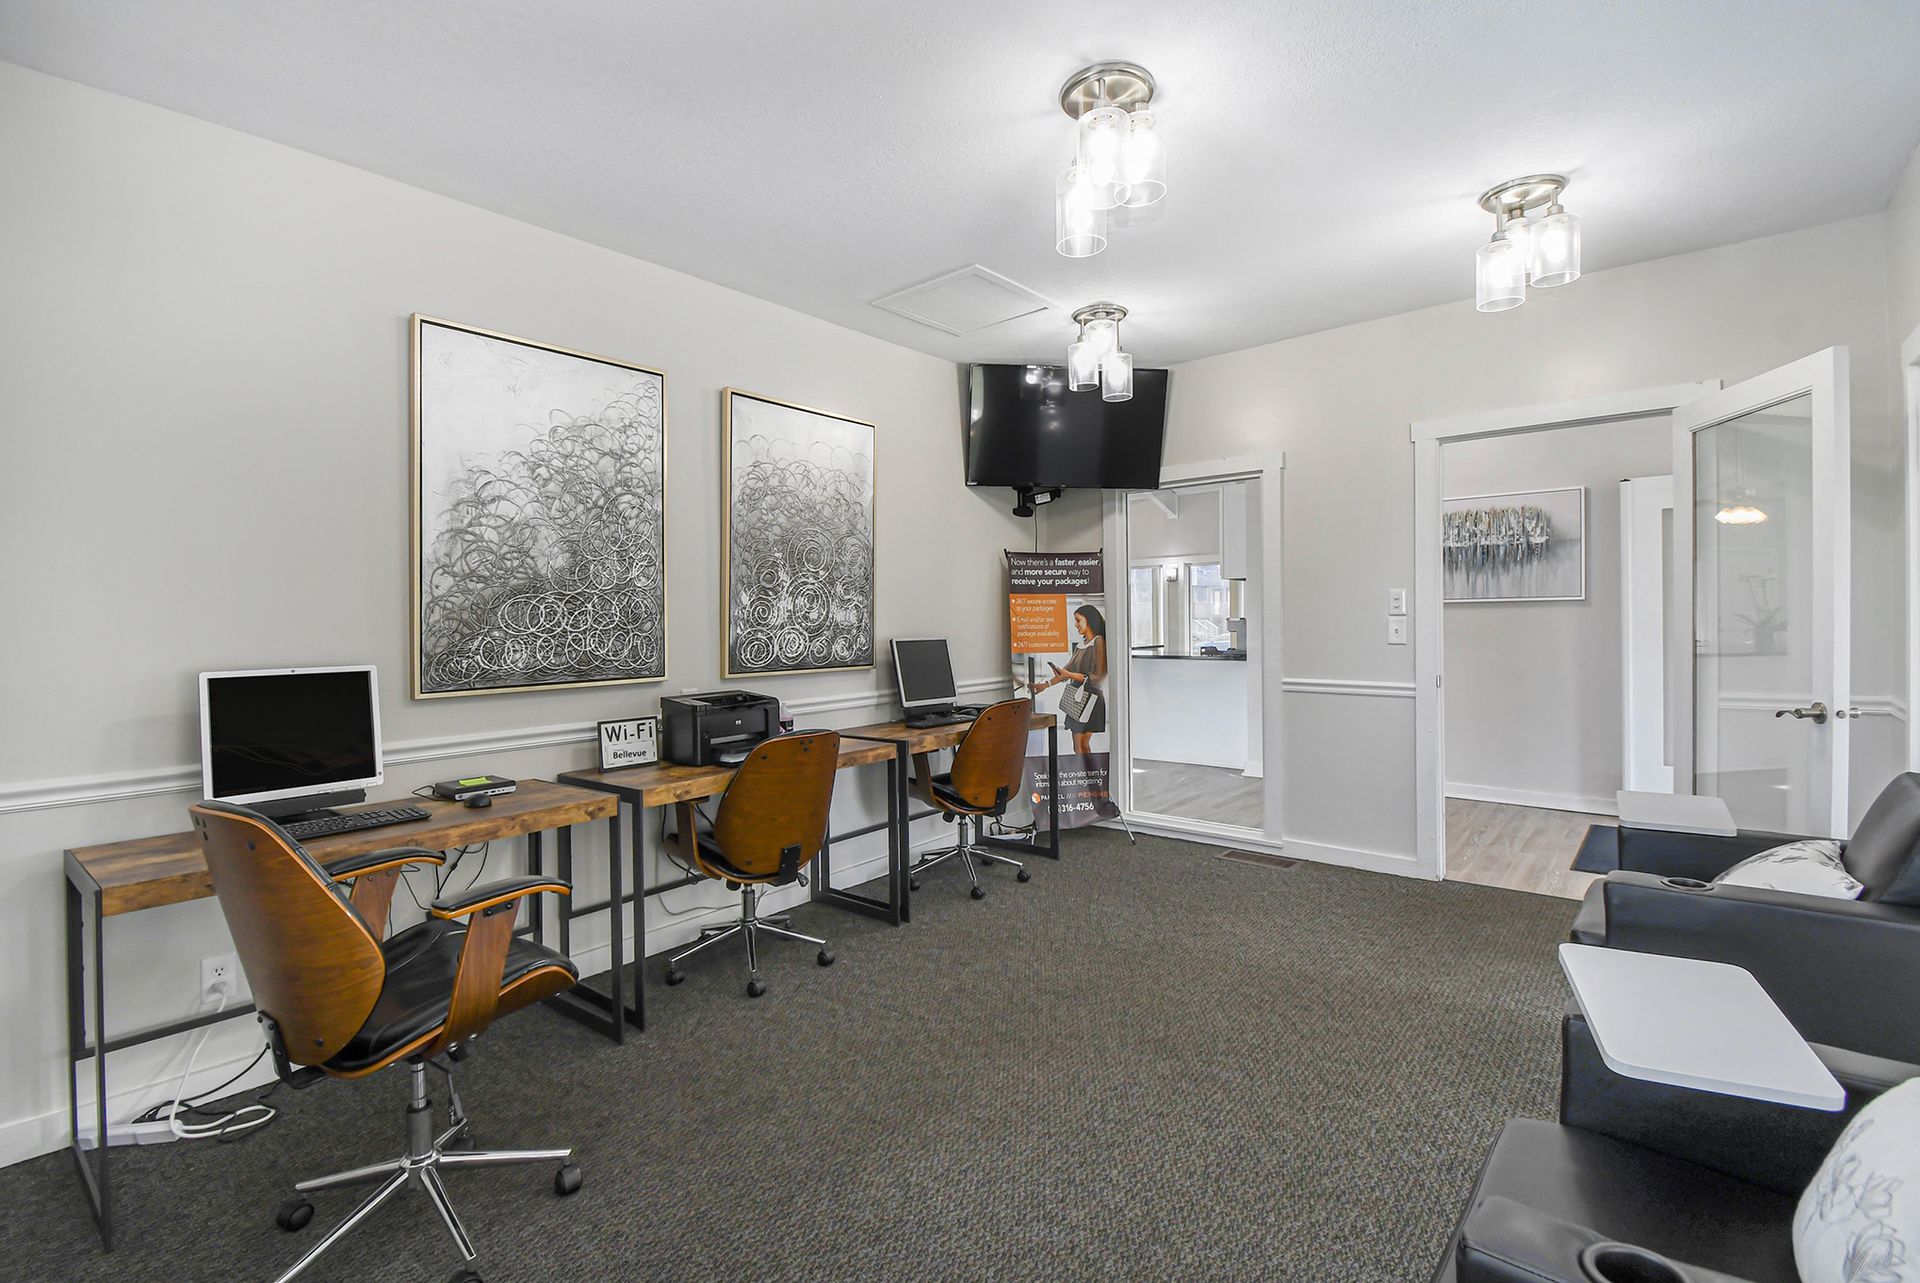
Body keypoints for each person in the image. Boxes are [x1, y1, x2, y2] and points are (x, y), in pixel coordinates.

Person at [1033, 604, 1107, 757]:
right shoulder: (1080, 645)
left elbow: (1099, 676)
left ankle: (1088, 771)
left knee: (1082, 744)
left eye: (1078, 620)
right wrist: (1045, 685)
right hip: (1076, 700)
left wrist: (1071, 675)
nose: (1075, 624)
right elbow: (1065, 672)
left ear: (1089, 620)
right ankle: (1085, 771)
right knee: (1078, 745)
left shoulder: (1099, 641)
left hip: (1090, 699)